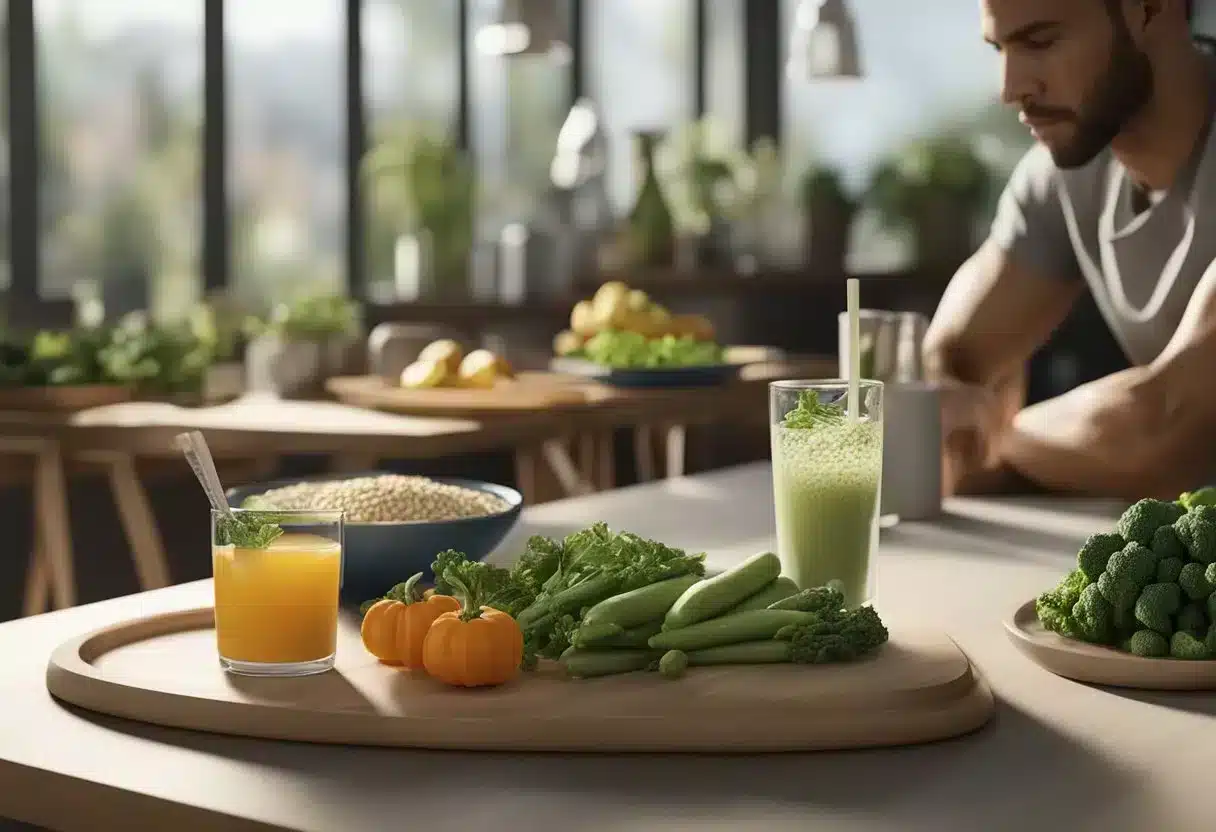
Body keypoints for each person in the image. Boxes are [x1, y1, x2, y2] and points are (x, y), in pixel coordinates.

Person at [925, 0, 1216, 499]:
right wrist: (957, 411)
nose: (1010, 89)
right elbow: (944, 364)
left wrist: (990, 435)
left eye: (1040, 42)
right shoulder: (1062, 176)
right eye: (1001, 48)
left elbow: (1161, 429)